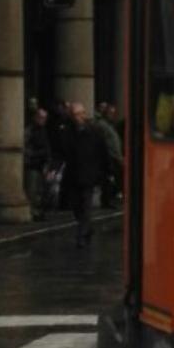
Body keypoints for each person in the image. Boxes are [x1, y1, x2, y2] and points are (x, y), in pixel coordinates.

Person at [60, 102, 110, 249]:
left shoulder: (94, 132)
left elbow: (103, 152)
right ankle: (87, 228)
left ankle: (81, 236)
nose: (79, 117)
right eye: (75, 115)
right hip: (74, 174)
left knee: (86, 206)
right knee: (77, 207)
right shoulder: (68, 131)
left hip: (89, 174)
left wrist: (105, 172)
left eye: (81, 114)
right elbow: (64, 150)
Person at [22, 106, 52, 221]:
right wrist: (36, 154)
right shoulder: (30, 130)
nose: (42, 120)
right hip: (32, 165)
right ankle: (33, 212)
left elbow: (47, 148)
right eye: (40, 117)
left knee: (41, 190)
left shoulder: (43, 131)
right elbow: (25, 148)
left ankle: (38, 211)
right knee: (32, 190)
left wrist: (48, 162)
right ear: (35, 117)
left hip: (41, 165)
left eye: (44, 118)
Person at [94, 103, 123, 208]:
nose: (112, 115)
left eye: (113, 113)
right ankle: (106, 200)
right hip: (108, 156)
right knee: (107, 179)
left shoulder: (111, 125)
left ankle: (109, 199)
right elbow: (105, 142)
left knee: (112, 178)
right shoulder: (102, 125)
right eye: (110, 113)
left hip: (114, 156)